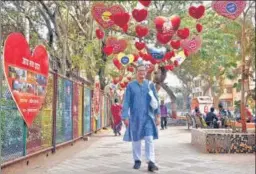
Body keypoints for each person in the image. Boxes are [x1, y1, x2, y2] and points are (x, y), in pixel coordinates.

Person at [122, 63, 160, 172]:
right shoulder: (130, 86)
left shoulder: (150, 85)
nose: (142, 72)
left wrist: (157, 115)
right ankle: (137, 160)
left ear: (146, 72)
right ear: (136, 72)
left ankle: (151, 161)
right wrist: (125, 116)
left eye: (143, 70)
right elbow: (127, 101)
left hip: (148, 117)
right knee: (136, 139)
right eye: (139, 70)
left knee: (149, 139)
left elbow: (156, 100)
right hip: (135, 117)